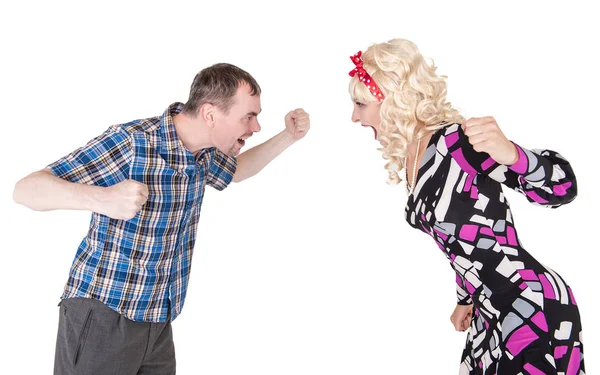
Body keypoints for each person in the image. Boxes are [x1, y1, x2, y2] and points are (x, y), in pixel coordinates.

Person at [13, 63, 310, 375]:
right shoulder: (133, 142)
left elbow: (237, 170)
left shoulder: (204, 153)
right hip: (104, 313)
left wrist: (288, 136)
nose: (255, 126)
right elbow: (27, 190)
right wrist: (103, 198)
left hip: (157, 320)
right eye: (248, 116)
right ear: (210, 114)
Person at [347, 39, 583, 374]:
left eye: (360, 103)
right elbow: (467, 241)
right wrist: (465, 298)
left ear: (392, 99)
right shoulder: (416, 156)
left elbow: (564, 187)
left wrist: (515, 156)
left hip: (529, 306)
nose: (354, 116)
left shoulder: (456, 143)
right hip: (488, 312)